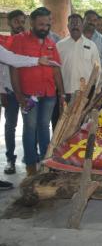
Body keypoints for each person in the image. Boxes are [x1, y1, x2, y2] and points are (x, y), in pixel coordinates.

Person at [9, 7, 64, 177]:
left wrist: (61, 93)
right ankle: (31, 165)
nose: (44, 28)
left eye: (47, 24)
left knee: (44, 127)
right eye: (41, 24)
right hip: (28, 95)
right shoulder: (19, 40)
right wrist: (18, 94)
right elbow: (14, 67)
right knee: (30, 127)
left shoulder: (50, 43)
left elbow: (56, 70)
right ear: (31, 22)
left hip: (49, 94)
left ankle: (46, 161)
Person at [0, 28, 51, 189]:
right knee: (19, 126)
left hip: (35, 92)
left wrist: (37, 60)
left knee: (42, 126)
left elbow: (12, 59)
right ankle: (24, 163)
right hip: (14, 92)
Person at [1, 9, 26, 174]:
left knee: (31, 126)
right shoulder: (3, 42)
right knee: (10, 126)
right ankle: (10, 159)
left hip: (27, 94)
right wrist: (2, 91)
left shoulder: (29, 42)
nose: (20, 25)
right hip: (9, 93)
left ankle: (31, 156)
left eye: (23, 21)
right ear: (9, 22)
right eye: (16, 21)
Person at [57, 14, 101, 99]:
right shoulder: (59, 45)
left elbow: (97, 68)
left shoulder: (91, 45)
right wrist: (60, 92)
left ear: (82, 26)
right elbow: (56, 70)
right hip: (67, 91)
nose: (75, 26)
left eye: (78, 24)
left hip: (86, 92)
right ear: (68, 26)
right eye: (72, 24)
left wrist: (97, 89)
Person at [83, 10, 102, 81]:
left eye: (94, 20)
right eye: (89, 19)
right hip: (79, 80)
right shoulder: (77, 38)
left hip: (96, 83)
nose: (91, 22)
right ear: (84, 20)